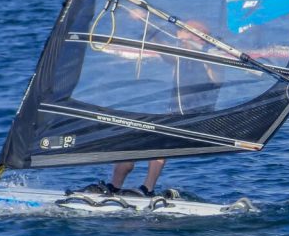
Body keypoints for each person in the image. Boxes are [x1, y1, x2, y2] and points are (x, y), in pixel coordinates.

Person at [85, 20, 222, 197]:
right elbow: (165, 52)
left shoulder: (211, 62)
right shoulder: (181, 58)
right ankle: (115, 186)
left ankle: (147, 189)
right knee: (131, 135)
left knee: (158, 138)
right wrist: (151, 29)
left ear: (199, 38)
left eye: (182, 33)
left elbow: (212, 66)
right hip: (173, 117)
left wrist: (201, 47)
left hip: (197, 121)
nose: (178, 36)